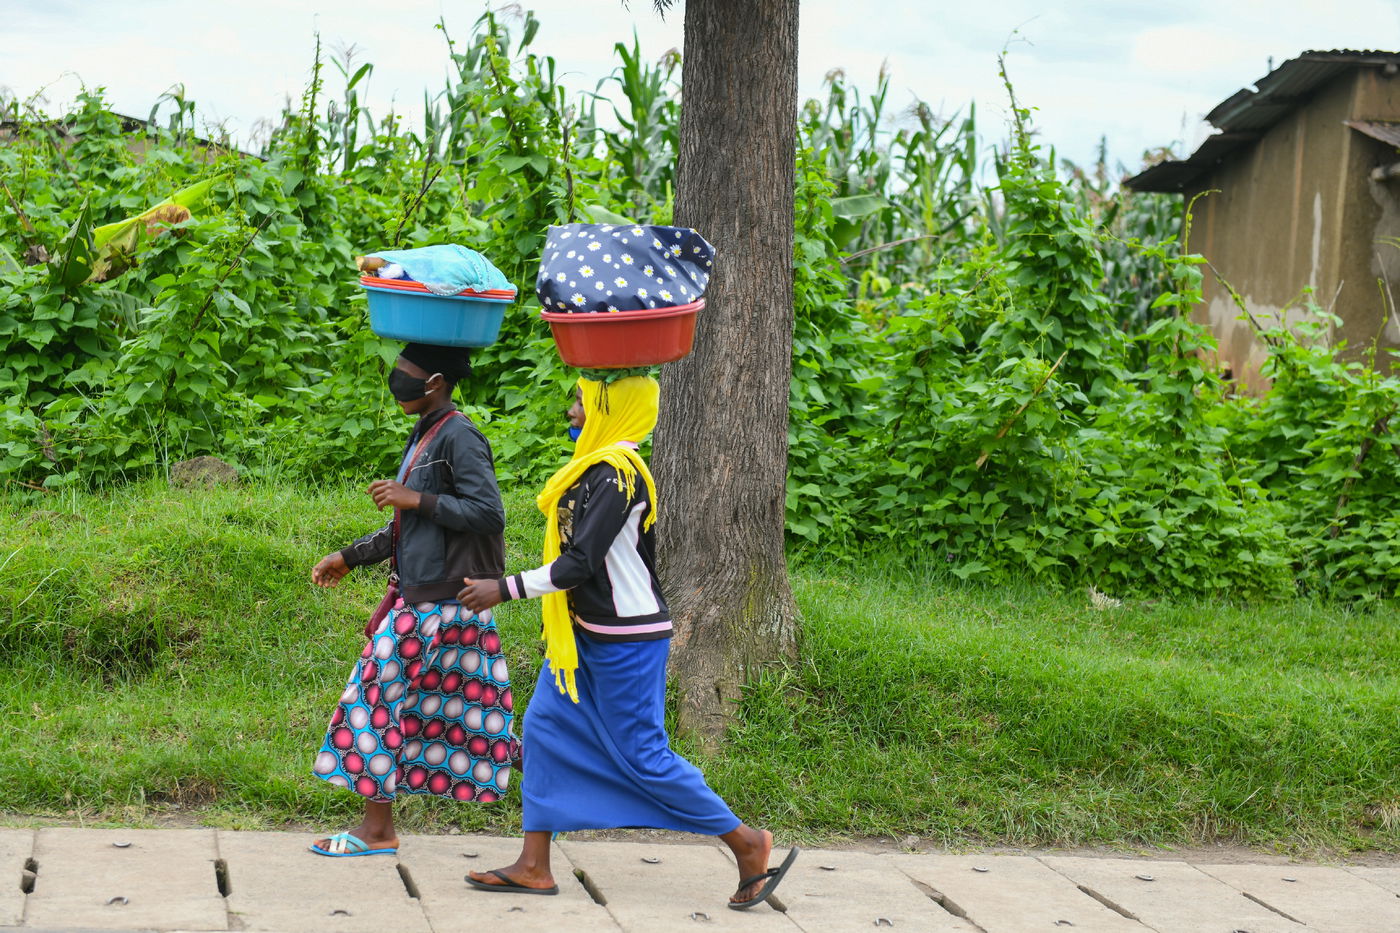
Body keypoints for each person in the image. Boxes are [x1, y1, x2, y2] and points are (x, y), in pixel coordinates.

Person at [457, 374, 798, 909]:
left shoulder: (618, 476)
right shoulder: (590, 469)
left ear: (611, 410)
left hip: (627, 639)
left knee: (644, 756)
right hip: (582, 636)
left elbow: (580, 563)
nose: (573, 411)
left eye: (583, 402)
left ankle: (748, 843)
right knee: (544, 731)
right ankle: (533, 865)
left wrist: (503, 588)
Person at [307, 343, 515, 857]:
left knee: (374, 705)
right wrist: (351, 556)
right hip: (426, 602)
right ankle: (379, 829)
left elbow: (489, 513)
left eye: (406, 372)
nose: (396, 379)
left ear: (436, 381)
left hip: (440, 607)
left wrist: (414, 498)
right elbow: (411, 522)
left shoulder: (460, 435)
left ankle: (377, 832)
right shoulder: (427, 431)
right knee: (423, 712)